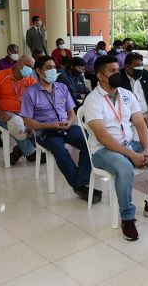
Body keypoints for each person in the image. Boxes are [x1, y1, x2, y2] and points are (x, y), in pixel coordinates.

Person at [82, 55, 148, 241]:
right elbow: (103, 137)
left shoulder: (126, 94)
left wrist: (146, 150)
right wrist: (132, 155)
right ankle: (127, 217)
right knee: (124, 169)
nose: (118, 73)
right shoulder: (93, 100)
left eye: (118, 69)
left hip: (130, 143)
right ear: (100, 76)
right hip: (103, 150)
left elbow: (140, 124)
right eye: (112, 71)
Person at [20, 56, 98, 201]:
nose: (53, 70)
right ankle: (80, 186)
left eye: (54, 67)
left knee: (89, 142)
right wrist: (50, 125)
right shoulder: (30, 93)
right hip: (45, 131)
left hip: (65, 126)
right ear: (38, 71)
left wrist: (70, 121)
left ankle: (80, 184)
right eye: (49, 67)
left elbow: (71, 112)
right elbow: (28, 122)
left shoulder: (62, 87)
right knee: (59, 148)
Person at [0, 56, 41, 165]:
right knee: (16, 122)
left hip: (25, 115)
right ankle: (31, 154)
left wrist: (31, 122)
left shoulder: (31, 80)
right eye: (29, 66)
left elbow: (35, 102)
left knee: (43, 120)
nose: (31, 69)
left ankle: (19, 150)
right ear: (19, 64)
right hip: (5, 114)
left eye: (32, 67)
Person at [119, 52, 148, 127]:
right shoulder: (119, 78)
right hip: (127, 119)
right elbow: (118, 104)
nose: (140, 68)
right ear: (127, 67)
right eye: (136, 65)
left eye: (141, 65)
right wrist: (138, 119)